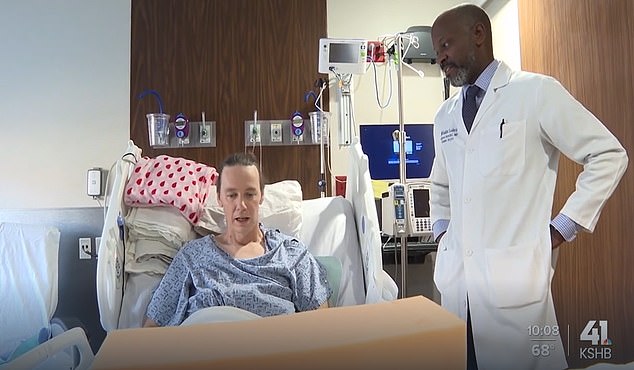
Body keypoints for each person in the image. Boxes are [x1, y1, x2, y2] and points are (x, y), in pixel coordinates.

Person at [429, 4, 628, 370]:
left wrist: (563, 226)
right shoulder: (445, 116)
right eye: (436, 50)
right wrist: (444, 237)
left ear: (478, 34)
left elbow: (608, 154)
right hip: (459, 286)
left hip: (514, 282)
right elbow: (440, 186)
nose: (440, 57)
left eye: (445, 45)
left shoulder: (535, 92)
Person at [143, 152, 331, 327]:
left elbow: (322, 327)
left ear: (261, 197)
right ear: (219, 199)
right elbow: (152, 327)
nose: (241, 205)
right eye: (232, 195)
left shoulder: (290, 254)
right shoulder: (192, 255)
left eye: (250, 194)